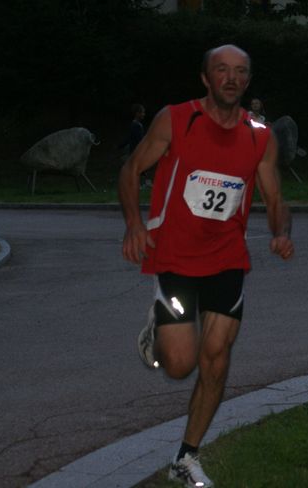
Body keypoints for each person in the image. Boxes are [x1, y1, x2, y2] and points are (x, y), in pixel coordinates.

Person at [118, 44, 294, 488]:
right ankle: (157, 331)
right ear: (205, 78)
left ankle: (186, 457)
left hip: (227, 257)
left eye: (240, 72)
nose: (231, 78)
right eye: (222, 70)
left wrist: (280, 231)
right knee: (180, 365)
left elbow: (274, 195)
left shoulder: (259, 134)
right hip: (175, 256)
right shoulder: (177, 119)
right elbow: (131, 170)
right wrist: (134, 224)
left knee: (216, 359)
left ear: (247, 81)